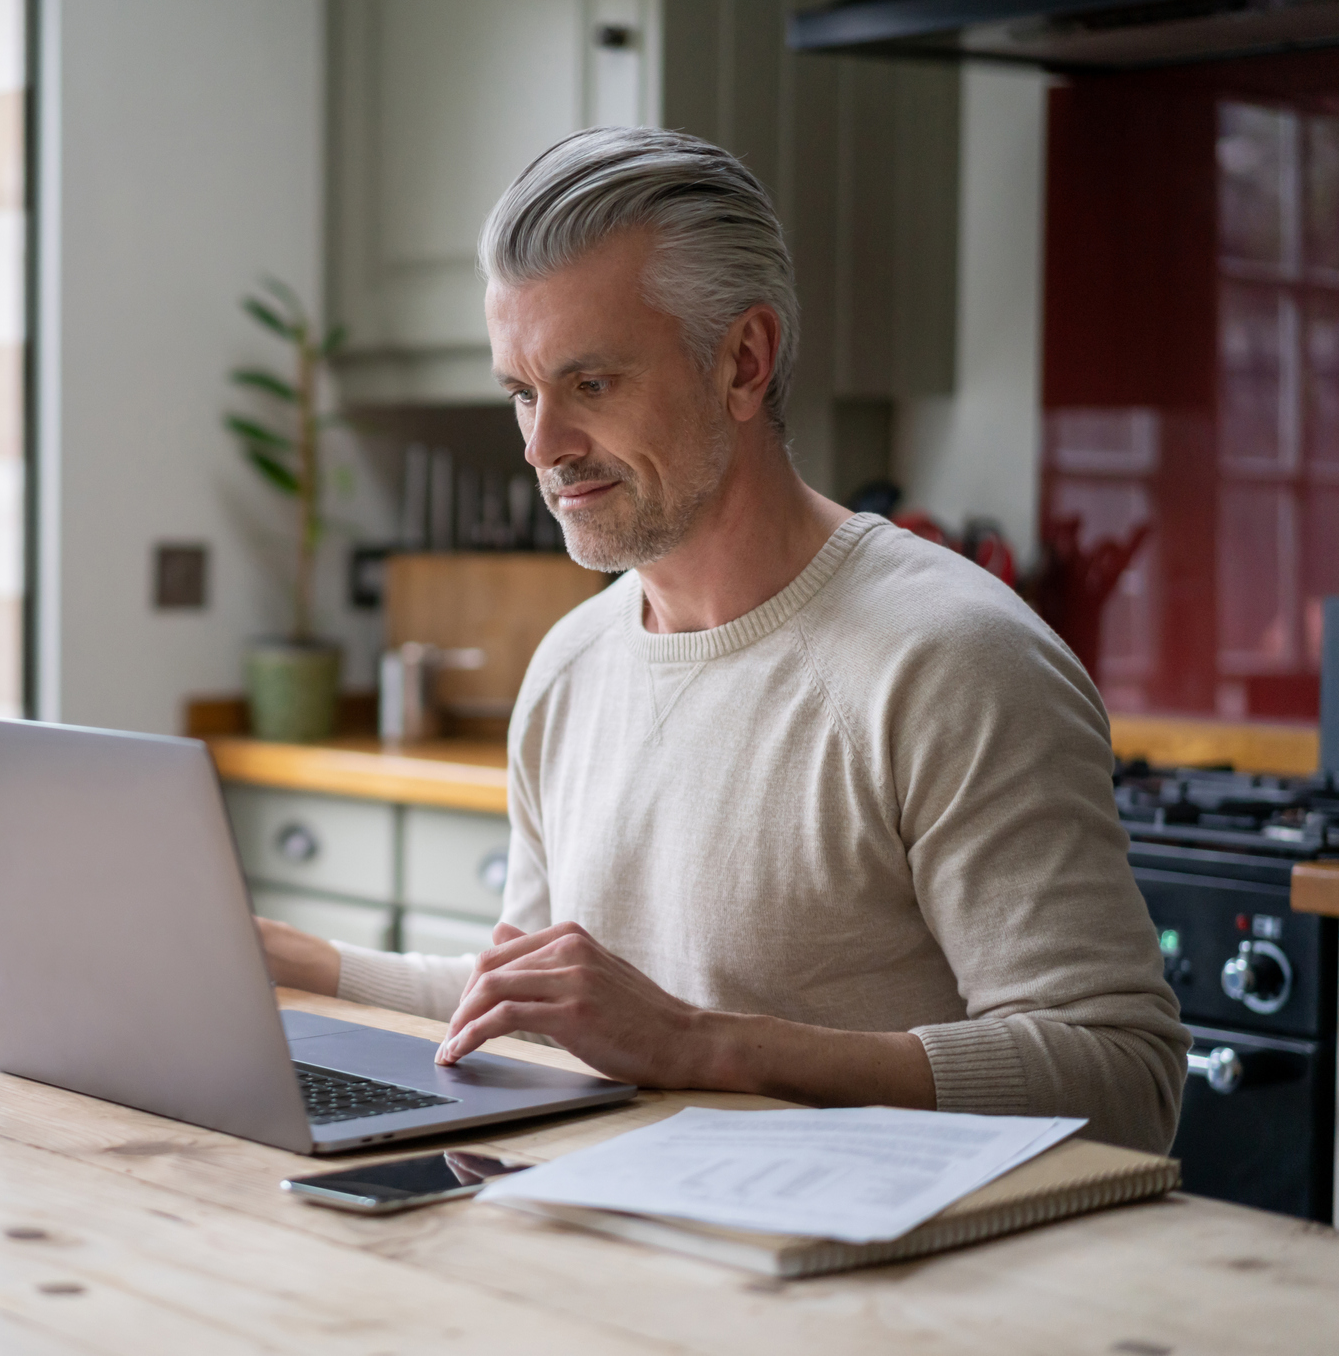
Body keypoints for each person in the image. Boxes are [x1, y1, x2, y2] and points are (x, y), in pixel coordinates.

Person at [258, 126, 1187, 1154]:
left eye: (591, 384)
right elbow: (536, 1000)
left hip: (877, 1291)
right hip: (625, 1263)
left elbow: (1125, 1079)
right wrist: (296, 963)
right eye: (522, 392)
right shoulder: (570, 667)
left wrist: (716, 1047)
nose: (540, 446)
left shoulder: (953, 659)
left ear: (744, 361)